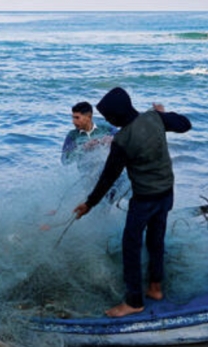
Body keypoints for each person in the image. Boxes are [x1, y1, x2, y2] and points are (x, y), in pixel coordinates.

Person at [73, 87, 192, 318]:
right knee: (156, 239)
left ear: (116, 117)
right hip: (167, 192)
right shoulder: (154, 118)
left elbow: (108, 177)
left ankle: (134, 301)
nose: (106, 120)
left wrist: (89, 204)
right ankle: (155, 288)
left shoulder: (122, 140)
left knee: (131, 246)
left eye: (108, 117)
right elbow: (185, 124)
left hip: (144, 198)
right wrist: (162, 113)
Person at [61, 101, 116, 166]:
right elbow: (64, 161)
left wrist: (112, 140)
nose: (73, 121)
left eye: (77, 118)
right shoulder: (72, 136)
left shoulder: (106, 127)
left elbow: (125, 138)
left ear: (89, 117)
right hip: (87, 173)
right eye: (73, 118)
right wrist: (83, 148)